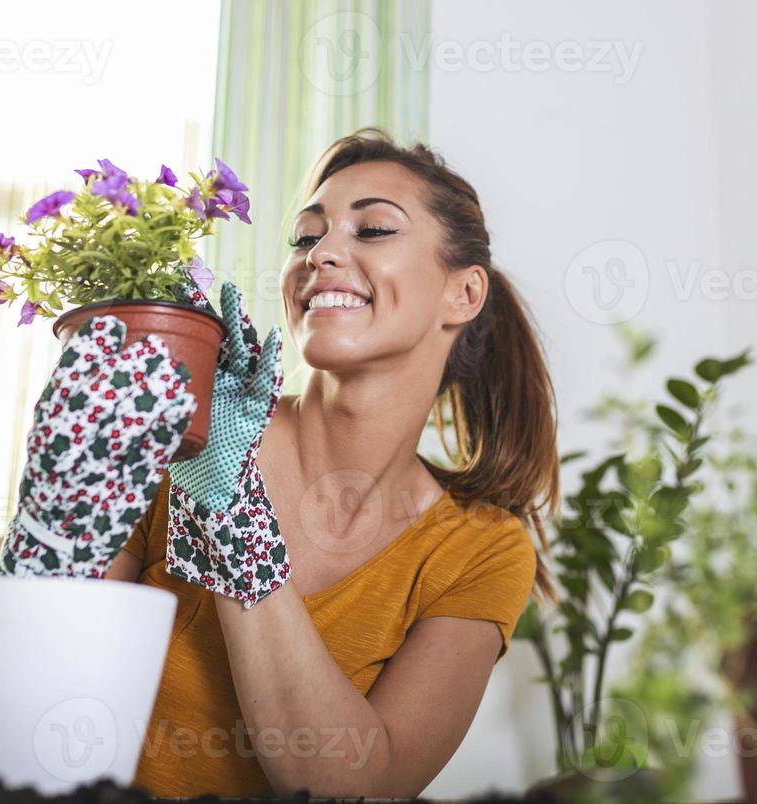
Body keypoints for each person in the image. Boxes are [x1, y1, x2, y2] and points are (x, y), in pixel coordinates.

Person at [105, 128, 561, 797]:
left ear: (462, 294)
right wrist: (63, 506)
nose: (322, 253)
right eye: (305, 236)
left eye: (373, 229)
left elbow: (358, 791)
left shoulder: (480, 551)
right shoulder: (182, 437)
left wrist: (237, 528)